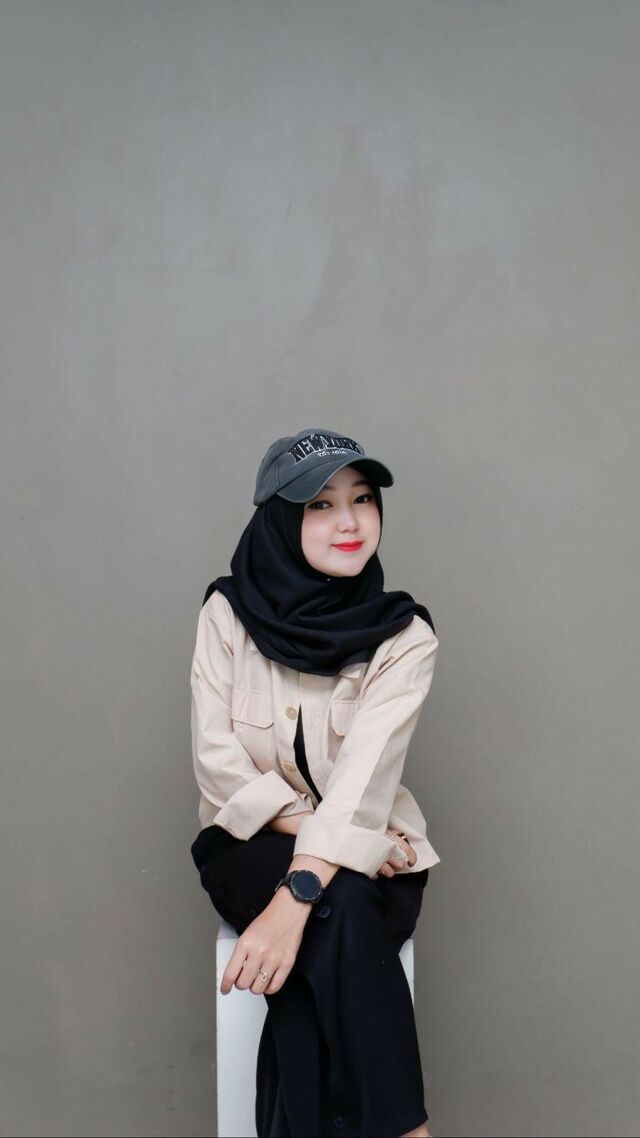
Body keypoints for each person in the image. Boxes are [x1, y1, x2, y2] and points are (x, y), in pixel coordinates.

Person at [189, 427, 440, 1138]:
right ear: (278, 518)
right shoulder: (225, 614)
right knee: (344, 902)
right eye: (321, 505)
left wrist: (293, 901)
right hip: (255, 847)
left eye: (363, 499)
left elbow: (363, 783)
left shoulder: (405, 637)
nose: (350, 521)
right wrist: (321, 845)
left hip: (366, 864)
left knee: (330, 929)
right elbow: (218, 766)